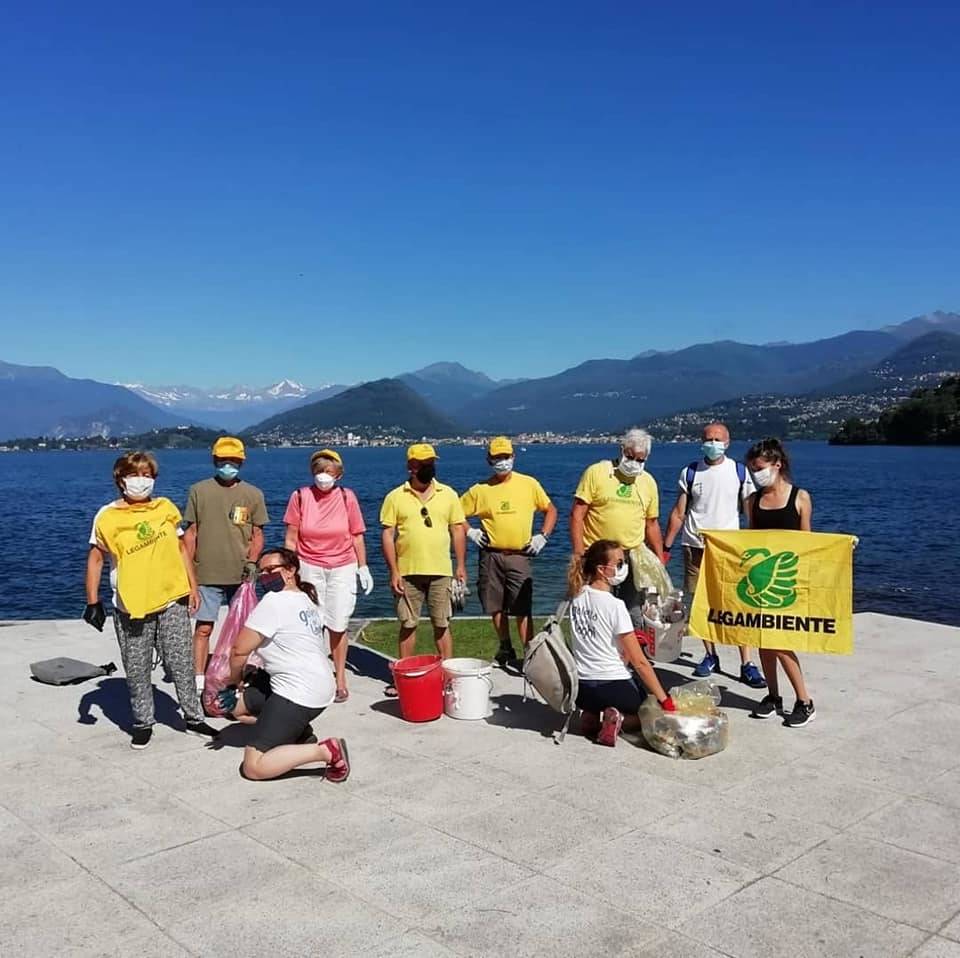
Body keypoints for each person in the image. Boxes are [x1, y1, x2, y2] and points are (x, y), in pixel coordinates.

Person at [83, 451, 219, 749]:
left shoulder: (165, 508)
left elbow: (182, 549)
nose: (141, 481)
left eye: (148, 475)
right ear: (121, 479)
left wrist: (192, 587)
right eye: (135, 475)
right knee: (137, 665)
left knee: (181, 660)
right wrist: (93, 601)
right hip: (130, 604)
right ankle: (143, 722)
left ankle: (193, 716)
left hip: (171, 598)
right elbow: (95, 558)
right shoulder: (107, 516)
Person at [221, 548, 350, 782]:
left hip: (299, 693)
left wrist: (234, 682)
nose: (265, 576)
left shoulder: (273, 602)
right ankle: (297, 733)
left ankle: (326, 751)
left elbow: (239, 651)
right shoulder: (307, 599)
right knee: (234, 709)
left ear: (290, 571)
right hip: (318, 686)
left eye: (271, 570)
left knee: (253, 767)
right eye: (261, 572)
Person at [663, 422, 766, 688]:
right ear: (701, 441)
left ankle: (747, 663)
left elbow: (752, 514)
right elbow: (678, 512)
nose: (713, 443)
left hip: (730, 551)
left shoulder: (740, 473)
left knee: (738, 605)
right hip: (694, 547)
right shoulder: (690, 472)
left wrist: (757, 546)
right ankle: (710, 656)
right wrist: (666, 546)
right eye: (708, 438)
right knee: (701, 604)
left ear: (728, 442)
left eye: (717, 439)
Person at [284, 449, 373, 703]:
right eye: (320, 472)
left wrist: (363, 566)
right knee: (311, 622)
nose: (324, 477)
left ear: (339, 475)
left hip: (342, 566)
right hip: (309, 564)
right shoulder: (300, 497)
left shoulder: (347, 497)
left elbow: (357, 534)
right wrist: (289, 568)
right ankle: (314, 675)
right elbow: (291, 537)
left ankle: (340, 679)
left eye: (329, 473)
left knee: (338, 622)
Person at [567, 540, 676, 747]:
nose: (622, 568)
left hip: (581, 689)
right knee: (649, 713)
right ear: (601, 569)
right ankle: (621, 720)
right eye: (618, 564)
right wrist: (664, 700)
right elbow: (640, 663)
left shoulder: (576, 597)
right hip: (613, 684)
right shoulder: (615, 606)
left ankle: (591, 715)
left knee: (599, 697)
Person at [461, 436, 558, 668]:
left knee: (522, 608)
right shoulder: (479, 490)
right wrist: (470, 532)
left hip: (520, 554)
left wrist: (542, 536)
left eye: (506, 457)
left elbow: (551, 510)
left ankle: (529, 653)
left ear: (513, 457)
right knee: (494, 604)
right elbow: (454, 513)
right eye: (497, 458)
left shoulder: (529, 484)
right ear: (489, 460)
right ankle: (505, 645)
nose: (502, 461)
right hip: (490, 554)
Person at [183, 437, 269, 694]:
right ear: (215, 461)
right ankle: (198, 676)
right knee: (204, 627)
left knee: (243, 630)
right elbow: (191, 533)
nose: (227, 465)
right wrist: (188, 577)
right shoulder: (199, 491)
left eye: (233, 460)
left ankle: (237, 674)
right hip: (206, 573)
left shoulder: (253, 494)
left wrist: (253, 562)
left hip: (241, 575)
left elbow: (257, 533)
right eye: (223, 460)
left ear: (241, 462)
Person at [380, 443, 466, 694]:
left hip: (441, 570)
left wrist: (460, 565)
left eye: (431, 462)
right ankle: (404, 676)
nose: (428, 467)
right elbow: (387, 535)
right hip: (407, 571)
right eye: (423, 463)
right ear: (411, 467)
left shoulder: (448, 494)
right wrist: (393, 570)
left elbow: (457, 529)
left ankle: (447, 677)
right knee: (408, 624)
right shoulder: (395, 497)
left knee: (442, 623)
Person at [743, 438, 816, 727]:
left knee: (781, 641)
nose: (756, 474)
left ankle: (804, 700)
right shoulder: (752, 500)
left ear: (777, 464)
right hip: (760, 582)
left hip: (788, 582)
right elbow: (749, 538)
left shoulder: (800, 498)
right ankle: (773, 696)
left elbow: (808, 542)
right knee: (764, 642)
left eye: (759, 468)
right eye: (752, 470)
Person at [570, 428, 665, 628]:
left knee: (633, 608)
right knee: (597, 605)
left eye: (640, 460)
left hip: (632, 555)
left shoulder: (648, 482)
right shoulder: (597, 472)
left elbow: (652, 524)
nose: (634, 463)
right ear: (622, 450)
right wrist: (579, 553)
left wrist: (660, 556)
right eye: (630, 457)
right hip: (598, 554)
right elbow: (578, 514)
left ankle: (632, 652)